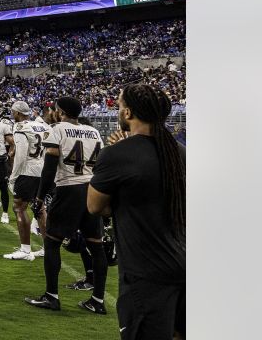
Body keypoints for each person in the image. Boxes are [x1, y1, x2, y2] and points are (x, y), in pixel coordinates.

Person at [87, 84, 185, 340]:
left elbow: (95, 206)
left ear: (128, 113)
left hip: (146, 270)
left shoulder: (116, 155)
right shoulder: (181, 153)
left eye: (119, 106)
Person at [24, 97, 108, 315]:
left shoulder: (58, 129)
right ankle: (98, 300)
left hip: (68, 190)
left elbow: (49, 168)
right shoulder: (94, 131)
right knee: (96, 246)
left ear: (60, 112)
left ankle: (51, 296)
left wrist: (40, 197)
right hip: (91, 189)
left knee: (52, 243)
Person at [5, 101, 49, 261]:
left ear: (17, 112)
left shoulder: (20, 127)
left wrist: (14, 177)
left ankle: (25, 250)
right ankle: (47, 247)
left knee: (19, 207)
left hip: (27, 171)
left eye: (13, 111)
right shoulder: (42, 125)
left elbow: (21, 155)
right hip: (42, 169)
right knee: (40, 208)